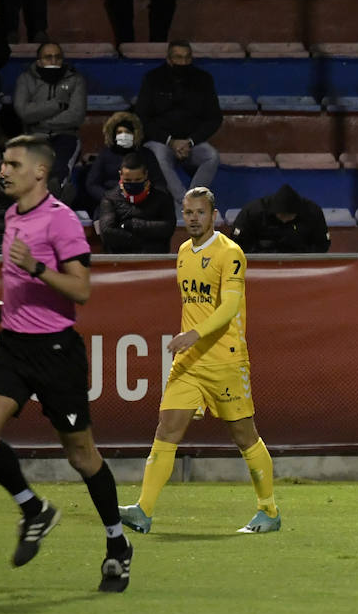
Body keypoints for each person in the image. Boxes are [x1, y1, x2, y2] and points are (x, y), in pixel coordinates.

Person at [0, 135, 133, 591]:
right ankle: (33, 509)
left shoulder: (62, 222)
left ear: (39, 171)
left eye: (13, 163)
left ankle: (117, 546)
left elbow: (81, 290)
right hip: (13, 345)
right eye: (3, 162)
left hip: (56, 352)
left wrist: (37, 268)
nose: (4, 170)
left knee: (82, 456)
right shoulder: (13, 215)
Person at [118, 187, 281, 536]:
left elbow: (228, 307)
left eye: (199, 212)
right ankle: (143, 510)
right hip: (190, 362)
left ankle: (268, 511)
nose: (192, 218)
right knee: (166, 429)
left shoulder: (231, 253)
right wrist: (189, 339)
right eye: (187, 212)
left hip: (225, 359)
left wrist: (194, 334)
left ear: (214, 215)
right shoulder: (182, 252)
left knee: (244, 435)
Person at [137, 41, 223, 206]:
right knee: (158, 158)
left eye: (187, 58)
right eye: (178, 57)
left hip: (192, 141)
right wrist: (170, 141)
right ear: (169, 59)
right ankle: (183, 202)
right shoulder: (152, 79)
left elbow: (214, 118)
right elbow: (142, 117)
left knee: (212, 156)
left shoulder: (203, 79)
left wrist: (191, 141)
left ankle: (194, 198)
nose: (183, 62)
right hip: (161, 141)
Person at [13, 41, 86, 198]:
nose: (53, 61)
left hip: (66, 135)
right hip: (35, 136)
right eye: (48, 57)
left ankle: (56, 201)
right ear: (39, 61)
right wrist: (57, 105)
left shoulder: (76, 80)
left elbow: (76, 116)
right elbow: (24, 112)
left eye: (57, 57)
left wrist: (40, 119)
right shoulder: (26, 79)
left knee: (59, 171)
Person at [94, 152, 174, 253]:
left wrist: (133, 225)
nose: (132, 183)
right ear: (120, 175)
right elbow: (107, 232)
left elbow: (168, 227)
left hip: (154, 259)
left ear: (146, 175)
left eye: (137, 180)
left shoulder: (162, 197)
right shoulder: (110, 198)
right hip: (119, 260)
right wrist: (143, 239)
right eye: (127, 180)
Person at [86, 110, 165, 207]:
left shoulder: (146, 154)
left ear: (135, 134)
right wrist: (109, 198)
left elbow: (159, 184)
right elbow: (92, 184)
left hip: (143, 203)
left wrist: (147, 199)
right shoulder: (105, 154)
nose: (123, 135)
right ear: (113, 134)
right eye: (119, 132)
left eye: (127, 132)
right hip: (111, 204)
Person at [230, 183, 331, 254]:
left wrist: (302, 254)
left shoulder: (312, 212)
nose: (285, 219)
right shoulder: (253, 212)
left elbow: (322, 244)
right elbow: (237, 243)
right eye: (282, 215)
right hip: (260, 264)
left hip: (301, 265)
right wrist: (260, 253)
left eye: (290, 216)